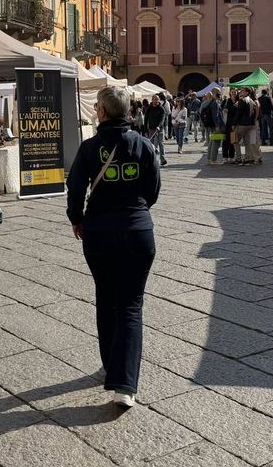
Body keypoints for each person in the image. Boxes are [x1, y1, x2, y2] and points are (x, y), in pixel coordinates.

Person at [66, 86, 160, 409]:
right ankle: (125, 385)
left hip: (99, 233)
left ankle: (110, 365)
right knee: (131, 305)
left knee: (106, 299)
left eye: (96, 107)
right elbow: (153, 189)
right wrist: (136, 210)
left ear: (103, 112)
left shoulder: (90, 148)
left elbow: (75, 188)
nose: (95, 111)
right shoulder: (143, 145)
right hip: (137, 232)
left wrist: (77, 218)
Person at [233, 88, 259, 165]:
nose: (241, 92)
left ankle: (238, 158)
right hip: (250, 124)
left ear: (247, 92)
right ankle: (248, 158)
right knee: (247, 142)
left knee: (235, 140)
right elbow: (254, 113)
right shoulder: (252, 101)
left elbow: (238, 113)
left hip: (242, 124)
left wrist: (234, 124)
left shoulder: (242, 100)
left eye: (243, 91)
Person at [200, 90, 223, 164]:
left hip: (211, 124)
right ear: (215, 93)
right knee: (216, 142)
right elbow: (215, 115)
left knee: (212, 141)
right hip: (216, 125)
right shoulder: (215, 102)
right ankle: (213, 159)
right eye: (219, 93)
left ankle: (209, 158)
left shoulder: (209, 102)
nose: (220, 94)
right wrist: (217, 125)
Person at [144, 95, 167, 166]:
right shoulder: (149, 108)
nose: (157, 100)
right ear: (152, 100)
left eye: (158, 99)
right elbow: (146, 120)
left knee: (161, 143)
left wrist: (159, 126)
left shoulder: (161, 108)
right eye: (155, 99)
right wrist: (145, 130)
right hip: (151, 129)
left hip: (160, 129)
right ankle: (153, 159)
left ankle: (162, 159)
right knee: (152, 144)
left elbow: (162, 119)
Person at [221, 89, 237, 164]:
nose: (234, 93)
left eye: (235, 92)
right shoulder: (226, 101)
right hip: (226, 124)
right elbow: (220, 109)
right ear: (230, 93)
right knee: (225, 141)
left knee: (232, 140)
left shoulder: (238, 101)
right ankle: (225, 157)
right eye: (232, 92)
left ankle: (231, 157)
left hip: (234, 124)